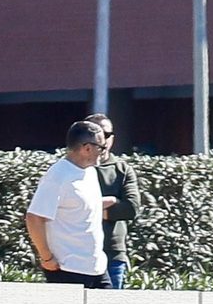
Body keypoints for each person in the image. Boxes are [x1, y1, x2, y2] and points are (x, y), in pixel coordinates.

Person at [25, 121, 110, 288]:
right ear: (87, 148)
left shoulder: (90, 172)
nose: (103, 152)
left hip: (97, 268)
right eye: (101, 147)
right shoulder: (57, 176)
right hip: (67, 270)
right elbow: (34, 217)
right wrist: (46, 257)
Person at [84, 113, 141, 289]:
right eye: (96, 133)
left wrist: (88, 209)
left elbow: (131, 209)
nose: (102, 139)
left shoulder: (122, 169)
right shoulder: (72, 168)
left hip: (112, 254)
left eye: (106, 134)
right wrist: (109, 202)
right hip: (77, 254)